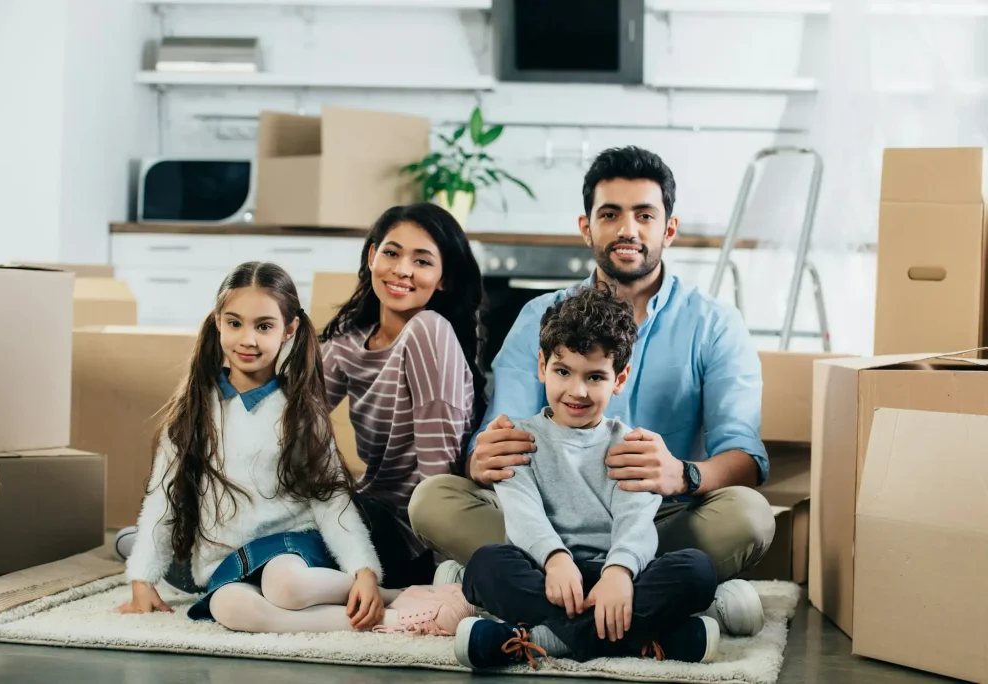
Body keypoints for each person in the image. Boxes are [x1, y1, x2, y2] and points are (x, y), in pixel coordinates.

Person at [410, 146, 775, 634]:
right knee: (432, 500)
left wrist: (681, 474)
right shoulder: (538, 317)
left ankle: (521, 598)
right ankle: (664, 604)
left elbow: (745, 457)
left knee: (750, 516)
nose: (628, 229)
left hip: (657, 518)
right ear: (587, 227)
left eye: (644, 215)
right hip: (542, 518)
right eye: (611, 214)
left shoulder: (715, 324)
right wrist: (483, 456)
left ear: (668, 229)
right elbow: (497, 440)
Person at [117, 261, 476, 637]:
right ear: (217, 322)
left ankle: (388, 593)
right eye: (234, 323)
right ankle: (397, 618)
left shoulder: (300, 413)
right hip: (224, 559)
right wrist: (142, 579)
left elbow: (332, 500)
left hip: (291, 546)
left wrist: (364, 572)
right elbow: (163, 497)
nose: (248, 339)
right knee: (229, 607)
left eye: (264, 326)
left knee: (286, 586)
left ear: (289, 330)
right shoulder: (192, 412)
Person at [454, 286, 727, 669]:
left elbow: (636, 523)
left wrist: (619, 572)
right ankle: (651, 638)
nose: (577, 391)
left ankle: (544, 638)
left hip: (617, 579)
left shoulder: (630, 446)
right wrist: (554, 558)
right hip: (543, 572)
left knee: (696, 571)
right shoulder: (519, 439)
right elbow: (522, 514)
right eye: (562, 371)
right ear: (541, 366)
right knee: (486, 565)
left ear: (619, 378)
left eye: (595, 377)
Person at [319, 202, 488, 589]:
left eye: (423, 261)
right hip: (369, 514)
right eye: (391, 253)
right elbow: (290, 421)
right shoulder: (348, 342)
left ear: (443, 279)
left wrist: (445, 573)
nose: (402, 270)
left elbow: (438, 480)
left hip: (421, 536)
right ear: (372, 256)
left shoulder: (431, 331)